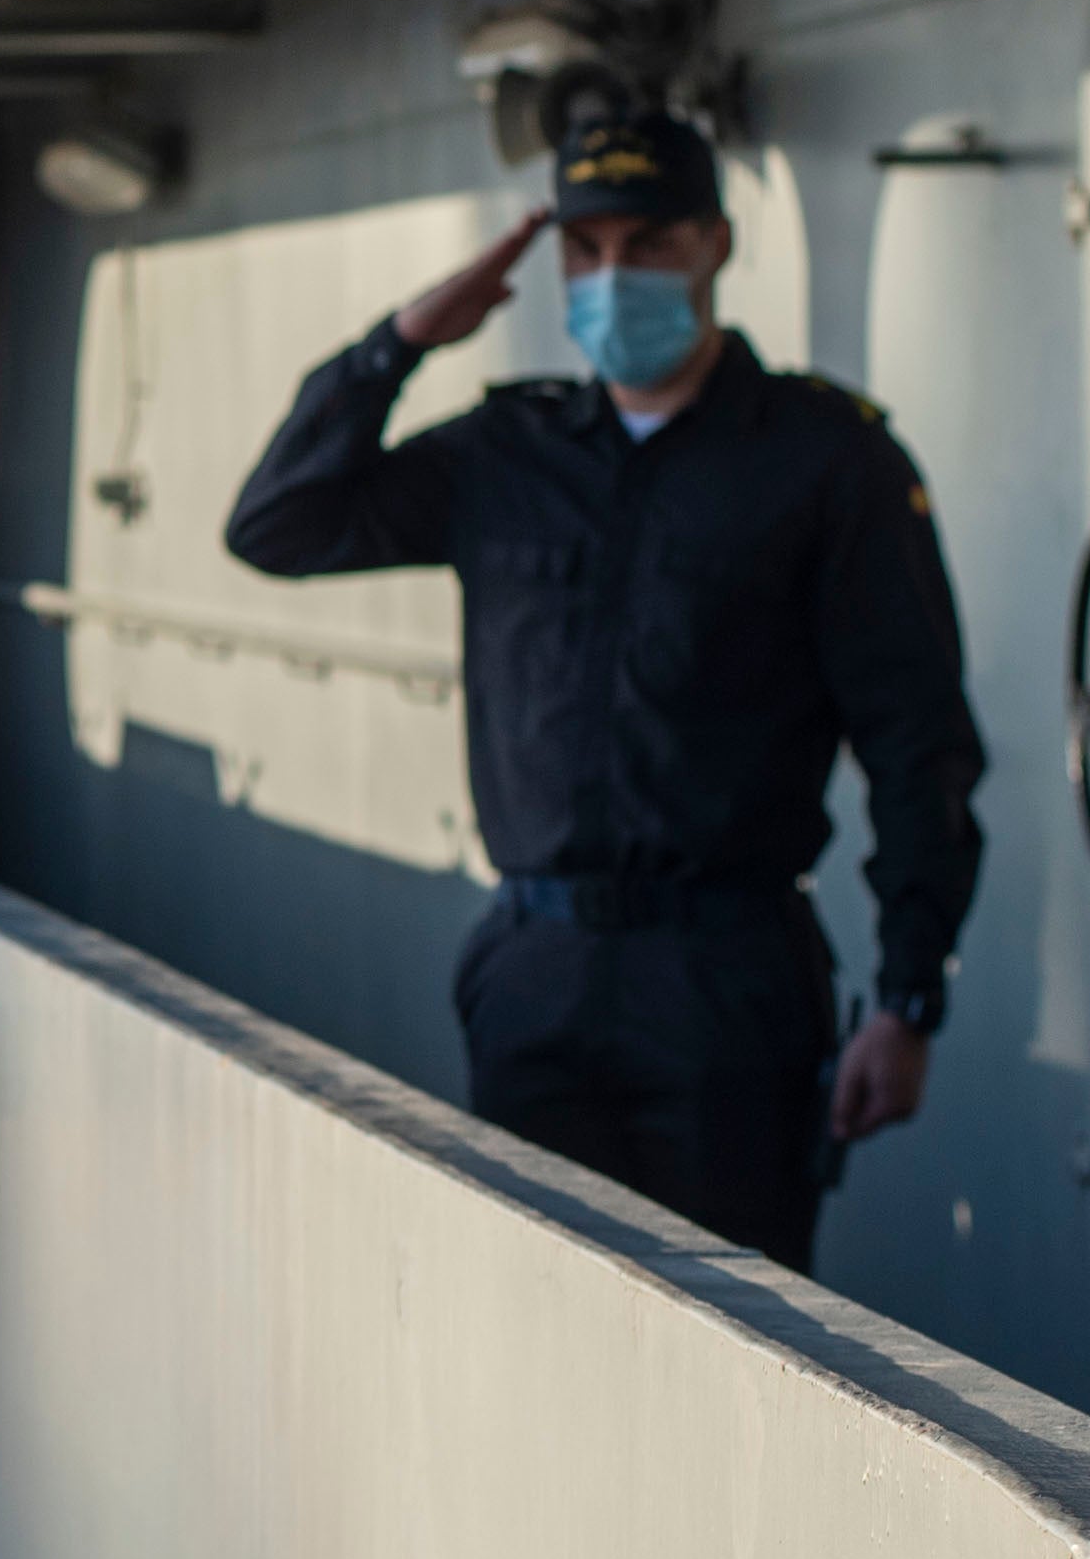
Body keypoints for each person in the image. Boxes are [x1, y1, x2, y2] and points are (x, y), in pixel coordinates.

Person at [224, 101, 983, 1268]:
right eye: (584, 251)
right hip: (535, 970)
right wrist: (405, 338)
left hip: (726, 983)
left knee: (744, 1334)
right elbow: (277, 524)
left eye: (647, 245)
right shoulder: (504, 455)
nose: (612, 276)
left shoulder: (827, 460)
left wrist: (905, 992)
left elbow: (914, 738)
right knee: (532, 1310)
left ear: (714, 244)